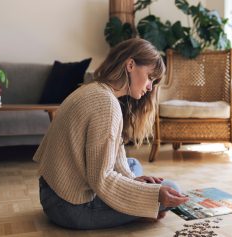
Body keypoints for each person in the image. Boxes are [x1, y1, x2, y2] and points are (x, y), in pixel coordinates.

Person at [33, 38, 189, 230]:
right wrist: (152, 197)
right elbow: (102, 179)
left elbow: (110, 159)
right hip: (69, 207)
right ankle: (141, 211)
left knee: (133, 166)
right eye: (150, 77)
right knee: (171, 189)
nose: (149, 87)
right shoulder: (106, 104)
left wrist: (133, 181)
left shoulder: (95, 89)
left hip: (52, 191)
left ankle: (138, 203)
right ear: (130, 65)